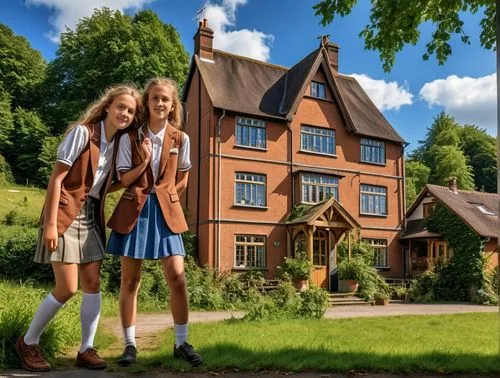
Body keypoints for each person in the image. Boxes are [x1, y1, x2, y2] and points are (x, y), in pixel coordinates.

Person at [15, 85, 142, 372]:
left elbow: (107, 185)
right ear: (108, 106)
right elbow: (57, 179)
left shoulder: (118, 144)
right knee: (67, 287)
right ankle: (28, 342)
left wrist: (142, 163)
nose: (125, 113)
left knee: (93, 285)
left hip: (91, 216)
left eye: (131, 111)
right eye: (121, 107)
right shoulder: (83, 133)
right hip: (63, 212)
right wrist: (49, 225)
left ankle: (86, 349)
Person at [107, 77, 202, 367]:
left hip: (166, 211)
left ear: (173, 105)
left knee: (177, 278)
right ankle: (129, 345)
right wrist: (144, 161)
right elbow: (124, 179)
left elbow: (183, 176)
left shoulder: (181, 139)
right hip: (134, 209)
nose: (160, 103)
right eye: (155, 99)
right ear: (146, 103)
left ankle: (181, 342)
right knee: (131, 280)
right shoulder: (130, 137)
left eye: (166, 99)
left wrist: (169, 197)